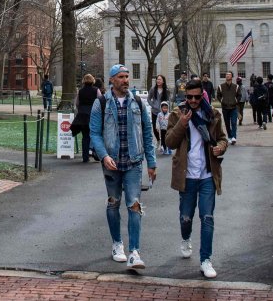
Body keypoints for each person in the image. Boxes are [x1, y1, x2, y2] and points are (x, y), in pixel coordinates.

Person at [90, 63, 157, 270]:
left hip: (133, 162)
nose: (125, 80)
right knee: (113, 203)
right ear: (111, 80)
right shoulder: (101, 103)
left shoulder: (137, 102)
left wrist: (151, 162)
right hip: (111, 164)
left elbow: (147, 132)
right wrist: (103, 156)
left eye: (127, 76)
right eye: (121, 77)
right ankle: (117, 244)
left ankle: (134, 252)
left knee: (134, 205)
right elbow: (94, 133)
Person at [163, 78, 229, 279]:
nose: (192, 100)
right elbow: (170, 142)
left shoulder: (212, 114)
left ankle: (206, 259)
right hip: (187, 175)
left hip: (208, 174)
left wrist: (221, 147)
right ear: (185, 96)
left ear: (202, 95)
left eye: (197, 97)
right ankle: (186, 237)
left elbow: (223, 138)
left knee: (207, 217)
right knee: (186, 217)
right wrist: (182, 124)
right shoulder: (177, 114)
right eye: (189, 97)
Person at [72, 74, 101, 162]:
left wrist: (80, 109)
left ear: (84, 81)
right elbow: (100, 100)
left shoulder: (80, 91)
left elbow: (77, 103)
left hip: (83, 116)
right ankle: (95, 153)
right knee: (95, 135)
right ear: (93, 80)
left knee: (85, 136)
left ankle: (85, 157)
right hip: (93, 115)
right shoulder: (96, 90)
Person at [215, 72, 239, 144]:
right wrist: (222, 101)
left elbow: (239, 95)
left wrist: (235, 101)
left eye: (229, 75)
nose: (227, 76)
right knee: (227, 123)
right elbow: (218, 95)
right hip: (225, 108)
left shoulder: (236, 86)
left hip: (233, 107)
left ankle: (234, 137)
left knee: (234, 122)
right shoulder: (221, 86)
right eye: (226, 75)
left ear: (232, 77)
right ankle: (229, 137)